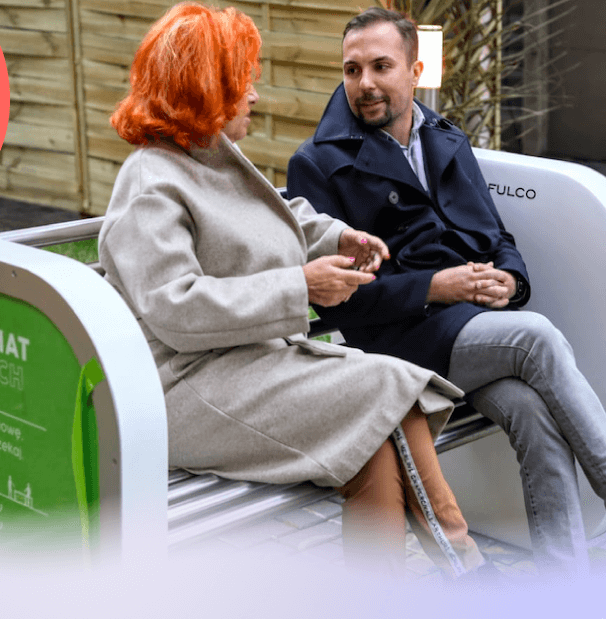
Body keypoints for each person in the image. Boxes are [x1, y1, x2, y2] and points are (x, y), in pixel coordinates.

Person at [98, 2, 489, 579]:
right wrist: (299, 287)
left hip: (245, 368)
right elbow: (175, 309)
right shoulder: (150, 181)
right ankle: (470, 574)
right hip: (185, 389)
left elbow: (280, 217)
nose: (255, 96)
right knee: (387, 386)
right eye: (243, 83)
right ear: (205, 88)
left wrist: (339, 235)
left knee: (375, 437)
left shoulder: (207, 156)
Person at [286, 6, 606, 576]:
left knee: (533, 410)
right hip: (398, 346)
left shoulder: (446, 138)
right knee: (536, 340)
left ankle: (567, 587)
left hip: (469, 328)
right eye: (352, 69)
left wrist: (510, 276)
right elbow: (345, 300)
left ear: (415, 69)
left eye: (381, 66)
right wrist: (437, 285)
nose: (366, 84)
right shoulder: (318, 164)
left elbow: (497, 235)